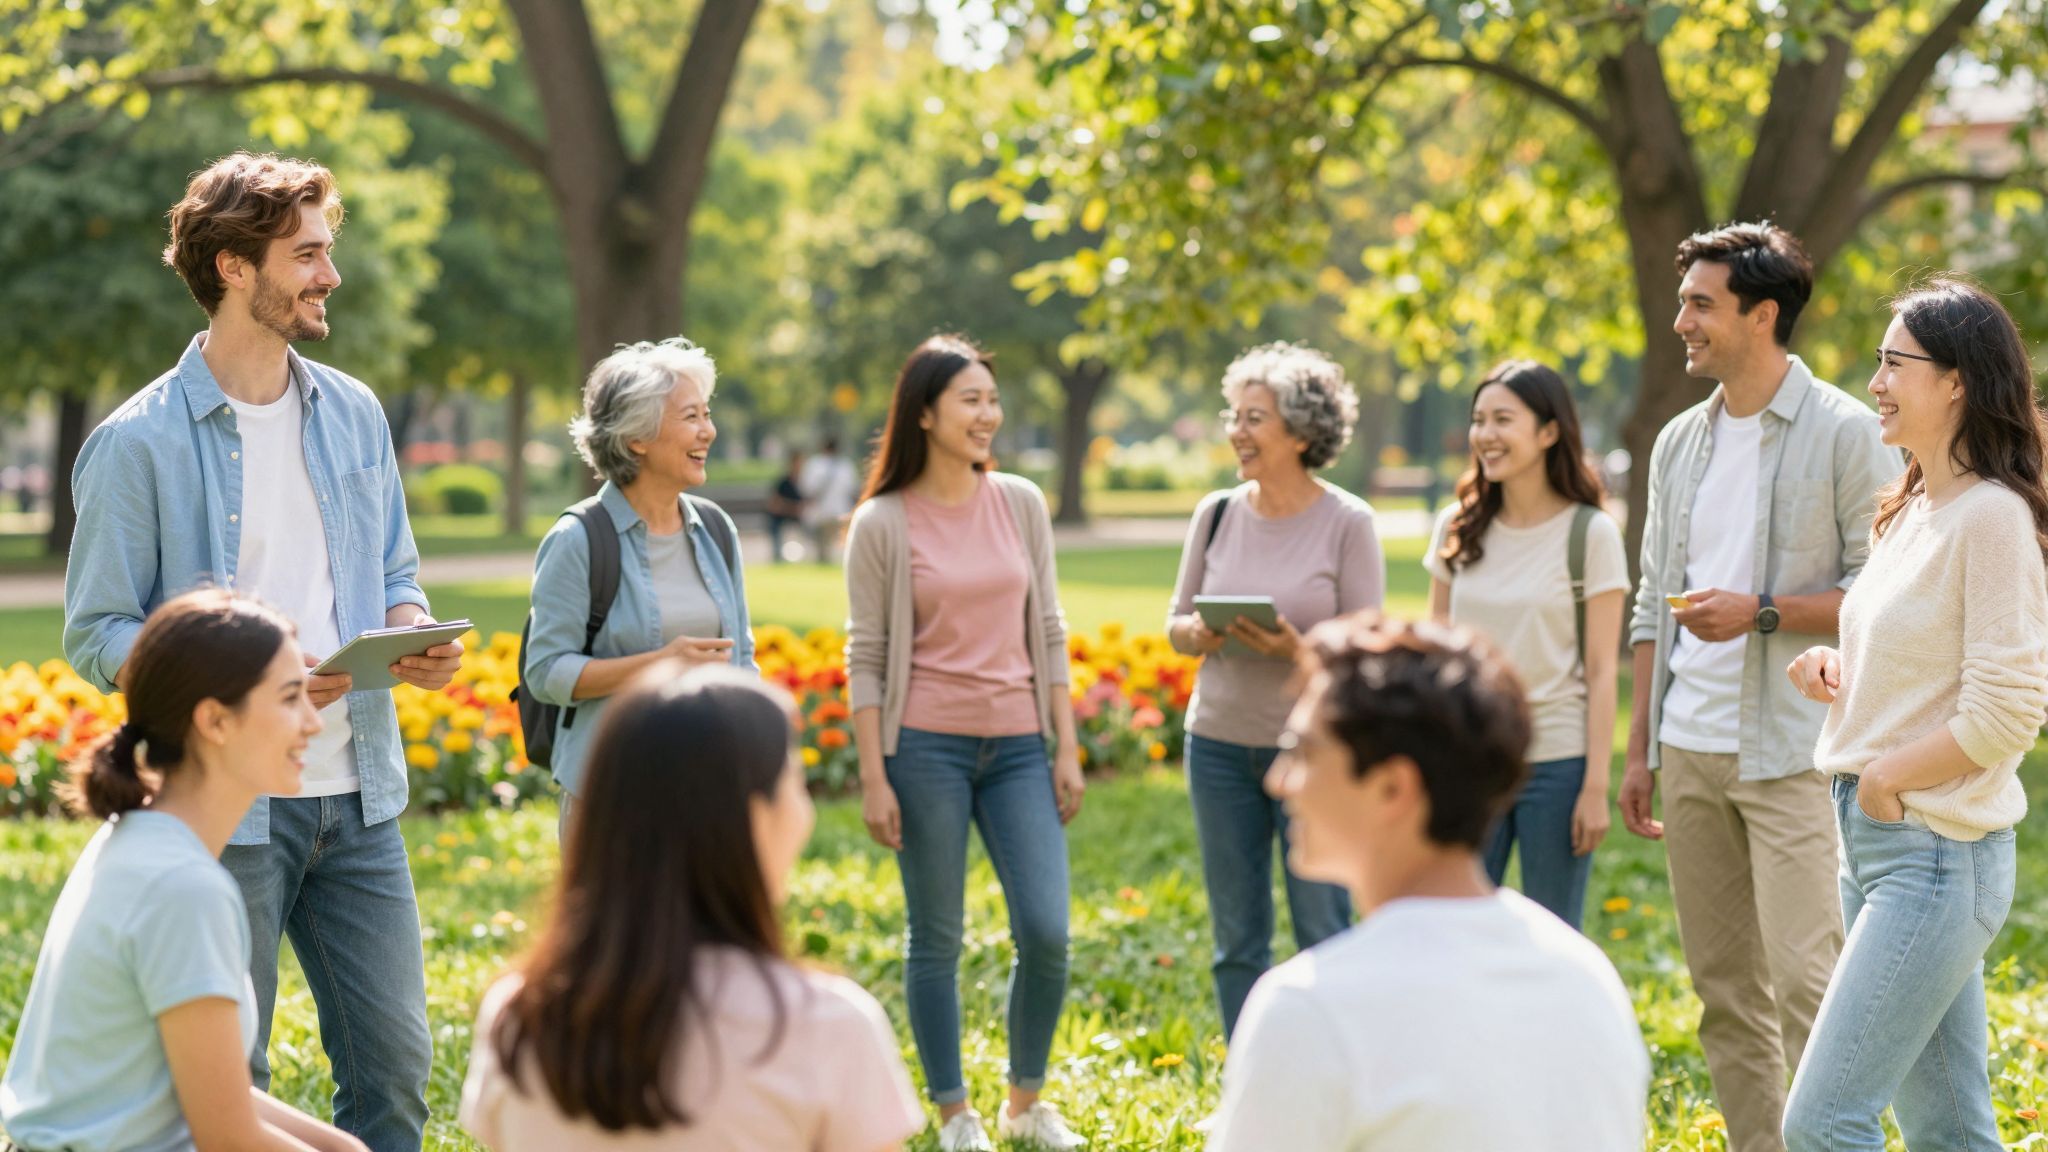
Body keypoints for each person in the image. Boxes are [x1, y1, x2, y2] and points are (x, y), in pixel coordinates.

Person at [62, 152, 463, 1150]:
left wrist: (409, 630)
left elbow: (394, 568)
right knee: (226, 1085)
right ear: (235, 267)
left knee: (396, 1067)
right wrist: (229, 688)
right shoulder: (136, 443)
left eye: (328, 252)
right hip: (224, 809)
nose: (330, 275)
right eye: (308, 255)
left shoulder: (355, 413)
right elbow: (96, 631)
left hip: (357, 795)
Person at [1616, 221, 1900, 1152]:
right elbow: (1655, 602)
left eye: (1701, 303)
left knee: (1808, 982)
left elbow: (1887, 590)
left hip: (1792, 750)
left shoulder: (1849, 434)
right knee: (1724, 992)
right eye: (1684, 300)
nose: (1681, 321)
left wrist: (1763, 611)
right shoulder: (1676, 444)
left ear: (1763, 313)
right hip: (1689, 748)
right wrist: (1639, 750)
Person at [1206, 613, 1649, 1151]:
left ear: (1394, 788)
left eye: (1303, 751)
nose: (1279, 781)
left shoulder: (1309, 1008)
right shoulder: (1587, 979)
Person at [1781, 280, 2048, 1151]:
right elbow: (1924, 658)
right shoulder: (1912, 508)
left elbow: (2008, 710)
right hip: (1880, 847)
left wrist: (1888, 777)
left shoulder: (1993, 518)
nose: (1876, 382)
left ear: (1959, 382)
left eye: (1896, 364)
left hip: (1934, 854)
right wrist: (1841, 671)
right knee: (1950, 1131)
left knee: (1823, 1123)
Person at [460, 664, 925, 1151]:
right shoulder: (827, 1027)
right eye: (794, 784)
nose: (804, 814)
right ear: (751, 819)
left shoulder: (518, 1019)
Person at [2, 590, 367, 1152]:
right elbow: (227, 1136)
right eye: (291, 698)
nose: (312, 724)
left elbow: (213, 1093)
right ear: (215, 720)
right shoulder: (181, 885)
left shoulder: (142, 839)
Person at [844, 334, 1087, 1152]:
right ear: (925, 414)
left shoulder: (1019, 501)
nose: (989, 414)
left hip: (1019, 744)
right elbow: (867, 656)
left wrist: (1065, 743)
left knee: (1048, 931)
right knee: (937, 934)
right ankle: (956, 1114)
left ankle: (1025, 1101)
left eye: (992, 398)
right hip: (926, 751)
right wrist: (874, 775)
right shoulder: (881, 523)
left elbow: (1049, 627)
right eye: (970, 401)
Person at [1164, 341, 1382, 1040]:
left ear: (1300, 432)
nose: (1237, 431)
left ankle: (1335, 1084)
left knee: (1324, 927)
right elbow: (1175, 622)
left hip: (1314, 752)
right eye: (1235, 415)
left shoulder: (1348, 523)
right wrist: (1199, 634)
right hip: (1219, 745)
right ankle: (1248, 1087)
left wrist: (1296, 648)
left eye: (1254, 417)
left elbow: (1364, 647)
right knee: (1238, 941)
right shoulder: (1218, 512)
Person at [524, 338, 757, 841]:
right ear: (637, 438)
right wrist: (659, 665)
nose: (708, 430)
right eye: (691, 416)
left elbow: (742, 658)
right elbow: (545, 672)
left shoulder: (715, 529)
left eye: (707, 413)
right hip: (611, 795)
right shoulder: (578, 539)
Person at [1425, 360, 1625, 931]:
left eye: (1502, 419)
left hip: (1556, 768)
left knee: (1553, 937)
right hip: (1470, 762)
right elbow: (1437, 659)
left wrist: (1593, 787)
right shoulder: (1457, 528)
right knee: (1456, 930)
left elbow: (1602, 672)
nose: (1485, 434)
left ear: (1548, 431)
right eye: (1478, 419)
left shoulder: (1591, 534)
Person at [800, 435, 860, 563]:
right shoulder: (846, 466)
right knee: (835, 545)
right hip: (840, 511)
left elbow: (807, 489)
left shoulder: (815, 464)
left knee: (821, 546)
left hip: (820, 511)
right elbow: (853, 490)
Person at [766, 448, 808, 563]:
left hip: (796, 519)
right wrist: (792, 508)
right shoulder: (783, 482)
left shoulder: (803, 482)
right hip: (781, 518)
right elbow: (774, 504)